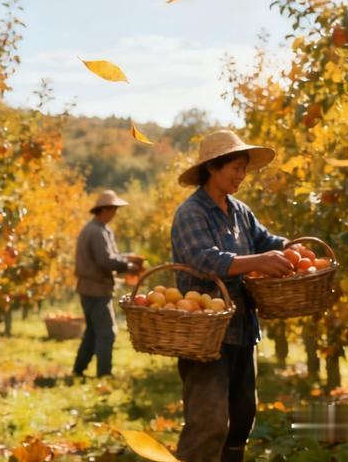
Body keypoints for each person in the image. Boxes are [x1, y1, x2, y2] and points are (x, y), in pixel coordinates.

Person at [170, 129, 295, 462]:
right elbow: (202, 259)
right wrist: (257, 261)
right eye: (236, 168)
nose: (242, 175)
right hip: (206, 334)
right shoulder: (191, 212)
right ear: (213, 168)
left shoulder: (240, 211)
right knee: (209, 423)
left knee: (241, 420)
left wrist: (291, 248)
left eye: (244, 169)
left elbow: (266, 241)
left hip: (242, 328)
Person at [72, 190, 144, 378]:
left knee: (92, 332)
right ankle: (104, 374)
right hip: (96, 290)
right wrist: (128, 266)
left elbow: (110, 256)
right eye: (114, 209)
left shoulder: (98, 229)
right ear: (105, 209)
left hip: (89, 289)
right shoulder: (97, 232)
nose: (115, 213)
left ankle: (78, 370)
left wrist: (127, 258)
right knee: (107, 332)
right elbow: (105, 261)